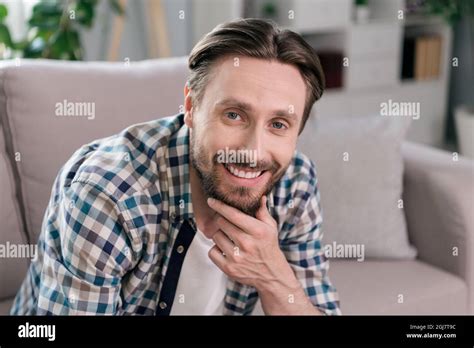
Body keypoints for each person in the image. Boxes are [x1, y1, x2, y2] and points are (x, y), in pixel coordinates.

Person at [11, 18, 340, 315]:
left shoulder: (294, 181)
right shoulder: (107, 195)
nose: (253, 152)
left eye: (279, 124)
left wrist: (275, 278)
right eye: (234, 115)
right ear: (191, 107)